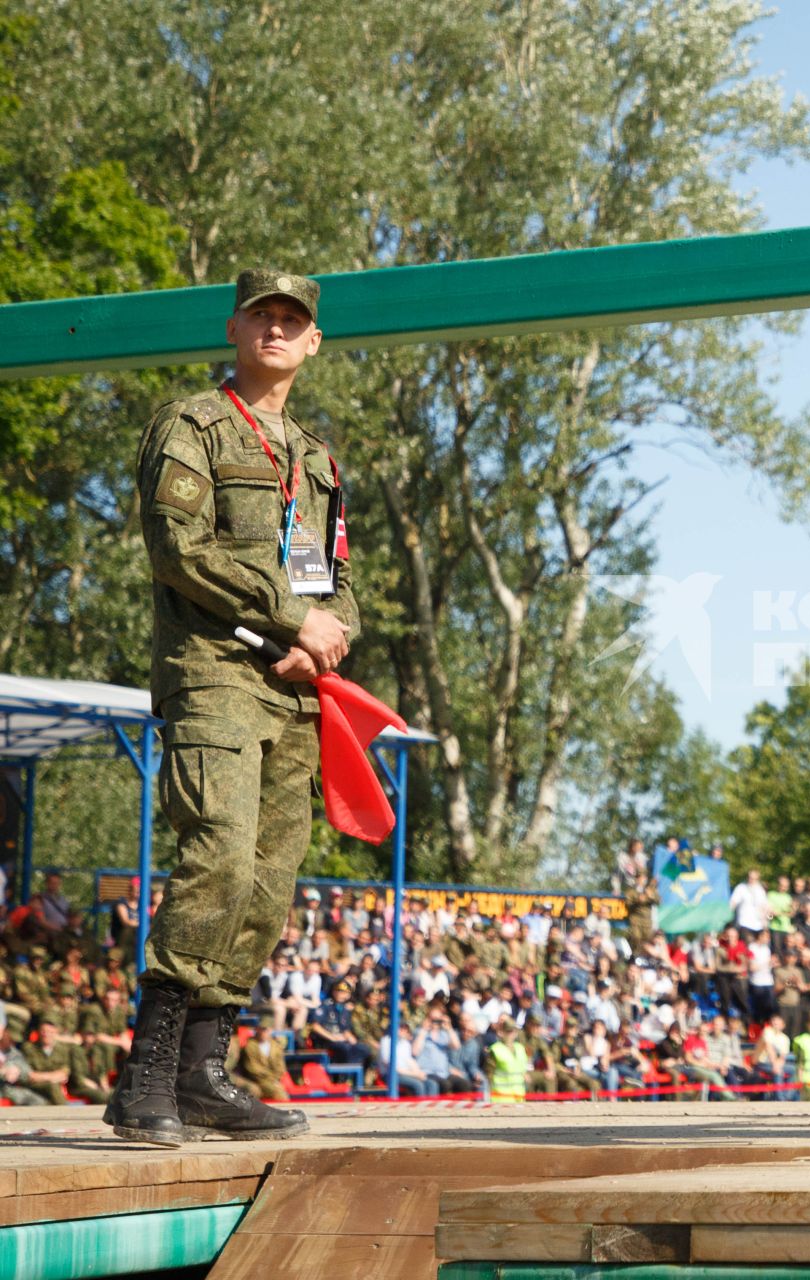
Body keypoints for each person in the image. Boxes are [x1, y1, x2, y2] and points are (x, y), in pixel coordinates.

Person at [108, 269, 356, 1146]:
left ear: (314, 341)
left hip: (292, 690)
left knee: (266, 883)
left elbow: (337, 582)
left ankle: (203, 1074)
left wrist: (325, 636)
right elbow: (176, 548)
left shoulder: (317, 460)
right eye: (264, 316)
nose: (278, 330)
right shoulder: (192, 424)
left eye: (295, 320)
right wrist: (291, 616)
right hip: (213, 670)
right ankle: (145, 1075)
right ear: (235, 328)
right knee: (216, 857)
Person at [487, 1017, 530, 1104]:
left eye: (514, 1031)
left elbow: (522, 1067)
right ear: (502, 1033)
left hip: (518, 1096)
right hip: (501, 1098)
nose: (511, 1034)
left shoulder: (520, 1048)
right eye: (508, 1031)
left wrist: (525, 1074)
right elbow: (489, 1074)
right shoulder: (496, 1049)